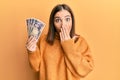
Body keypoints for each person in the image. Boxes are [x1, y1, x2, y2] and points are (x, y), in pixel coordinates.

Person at [26, 4, 94, 80]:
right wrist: (31, 51)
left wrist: (68, 45)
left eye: (67, 19)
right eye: (57, 20)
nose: (63, 24)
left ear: (72, 20)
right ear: (53, 23)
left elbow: (85, 69)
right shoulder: (44, 40)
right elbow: (36, 67)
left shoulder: (80, 41)